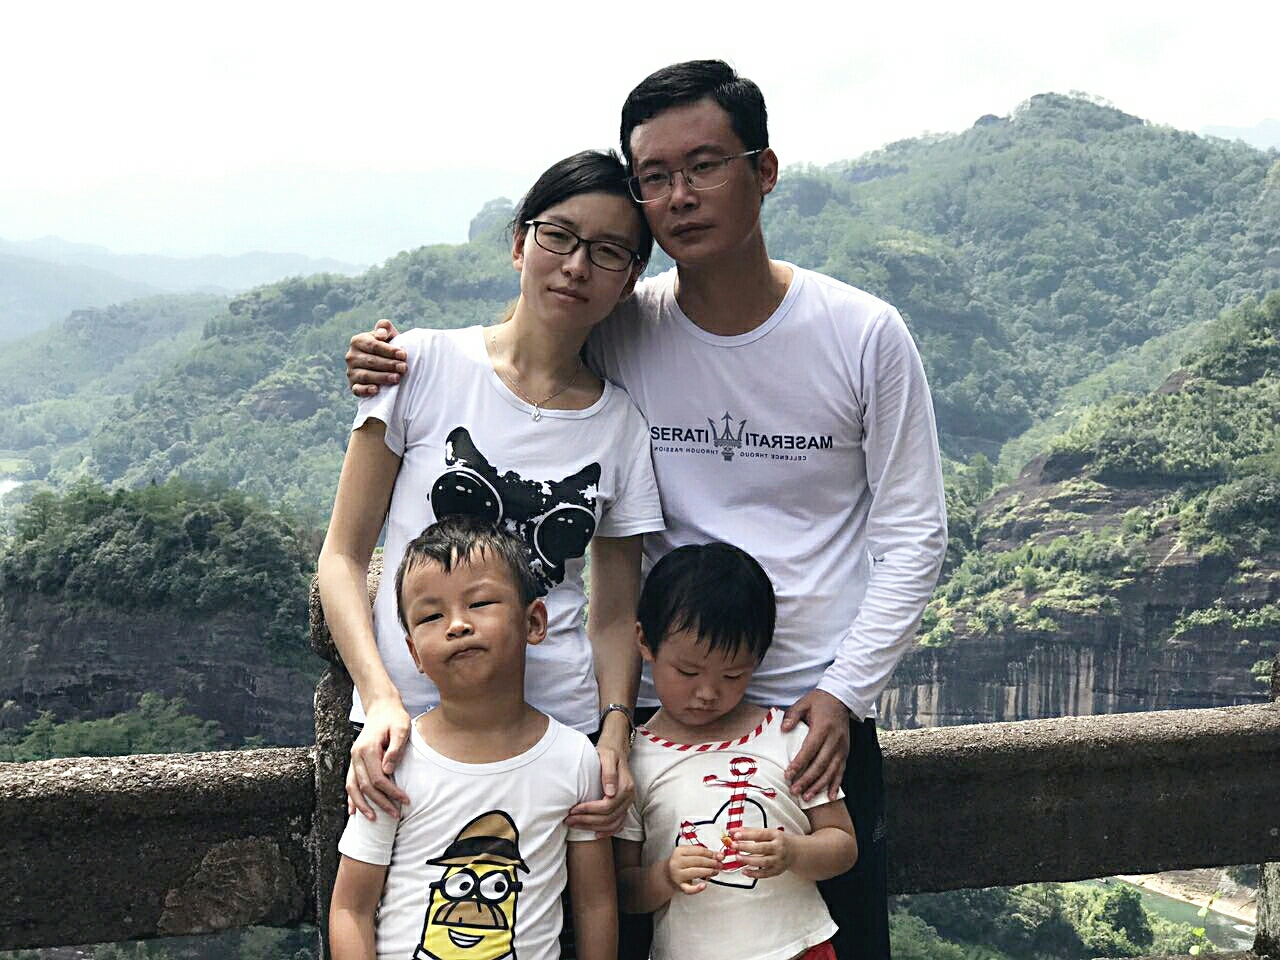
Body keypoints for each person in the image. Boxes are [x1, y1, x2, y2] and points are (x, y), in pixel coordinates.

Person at [346, 60, 948, 960]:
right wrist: (391, 362)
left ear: (764, 170)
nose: (679, 196)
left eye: (704, 166)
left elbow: (914, 534)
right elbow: (528, 348)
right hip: (661, 724)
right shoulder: (628, 326)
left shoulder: (863, 335)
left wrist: (845, 692)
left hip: (808, 721)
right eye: (654, 177)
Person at [318, 150, 665, 840]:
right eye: (559, 236)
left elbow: (612, 614)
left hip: (559, 738)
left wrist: (614, 731)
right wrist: (380, 697)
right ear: (519, 244)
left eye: (606, 252)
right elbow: (343, 557)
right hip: (407, 730)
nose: (576, 266)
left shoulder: (621, 425)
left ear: (629, 280)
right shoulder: (420, 366)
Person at [329, 516, 616, 960]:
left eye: (479, 603)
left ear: (534, 621)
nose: (457, 625)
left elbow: (595, 904)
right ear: (413, 653)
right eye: (431, 615)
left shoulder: (575, 759)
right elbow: (351, 908)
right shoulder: (394, 762)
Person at [615, 542, 858, 960]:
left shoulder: (787, 737)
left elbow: (843, 845)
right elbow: (624, 888)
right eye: (688, 671)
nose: (708, 693)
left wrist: (793, 852)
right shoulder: (634, 758)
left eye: (732, 675)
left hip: (798, 949)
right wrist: (666, 876)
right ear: (645, 641)